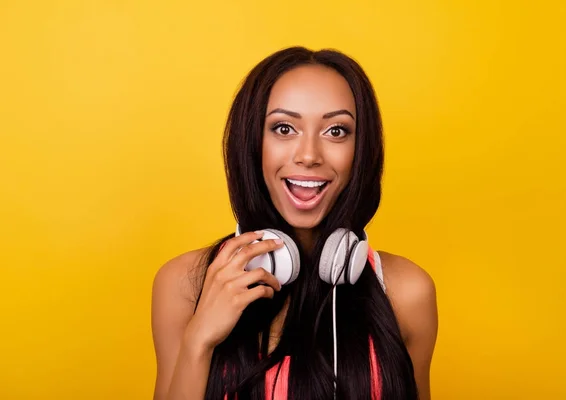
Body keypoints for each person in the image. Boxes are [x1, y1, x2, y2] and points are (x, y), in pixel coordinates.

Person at [151, 46, 438, 400]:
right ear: (252, 142)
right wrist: (199, 340)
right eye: (284, 128)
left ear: (361, 149)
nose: (308, 156)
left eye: (336, 131)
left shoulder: (408, 292)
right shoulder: (184, 284)